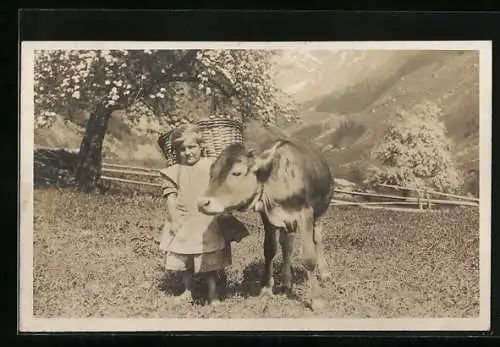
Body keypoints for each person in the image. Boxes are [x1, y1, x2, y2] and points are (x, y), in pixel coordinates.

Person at [158, 123, 249, 305]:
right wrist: (173, 219)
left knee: (208, 257)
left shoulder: (210, 166)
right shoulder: (174, 171)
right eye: (182, 149)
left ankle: (212, 292)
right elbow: (170, 197)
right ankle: (187, 290)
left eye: (192, 147)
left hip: (206, 221)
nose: (188, 152)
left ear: (201, 147)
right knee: (184, 257)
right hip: (183, 219)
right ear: (176, 151)